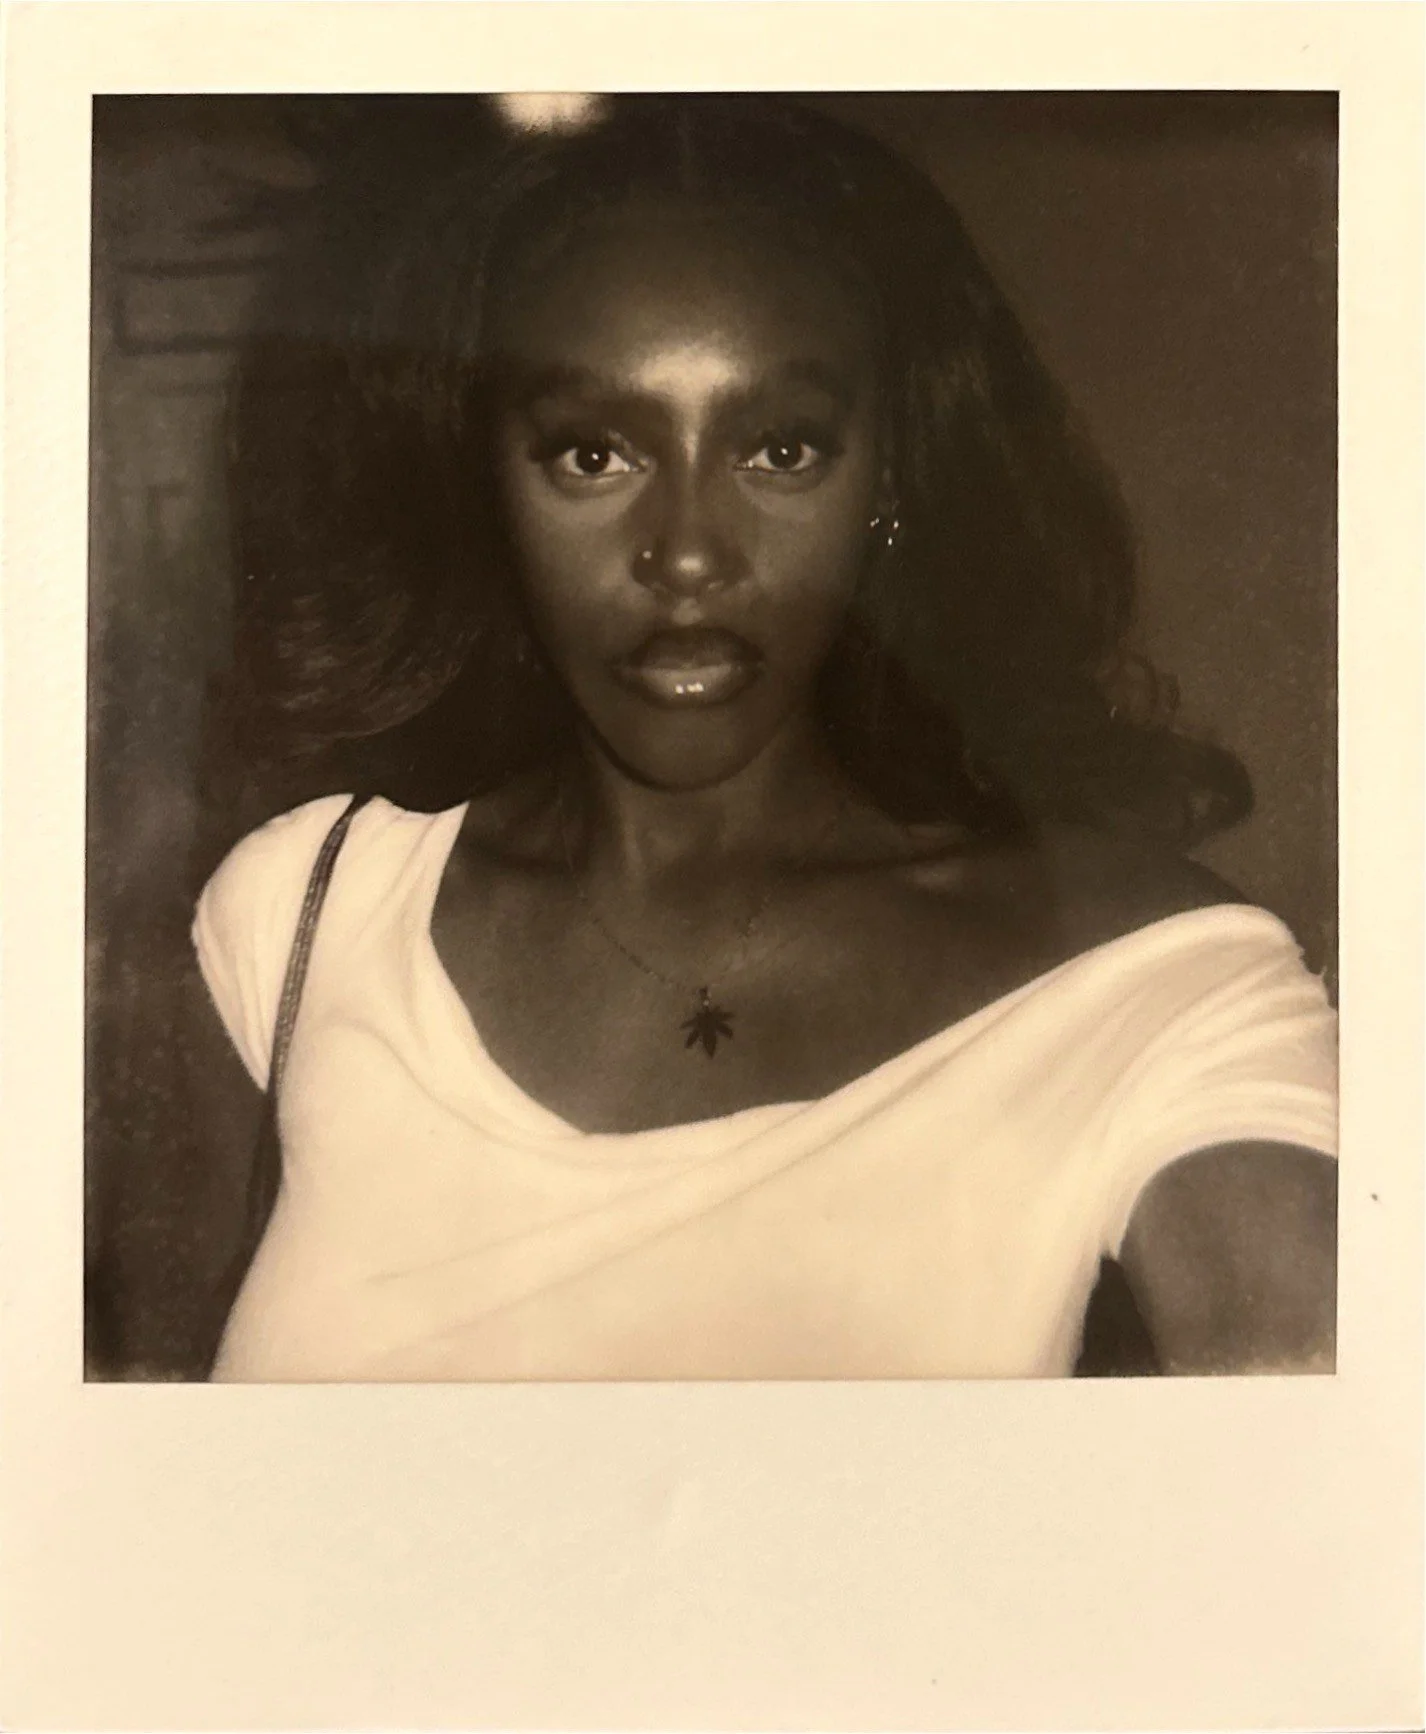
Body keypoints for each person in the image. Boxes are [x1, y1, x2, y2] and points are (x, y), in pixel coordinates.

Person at [185, 95, 1336, 1382]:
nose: (684, 553)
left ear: (888, 481)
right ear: (483, 482)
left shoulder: (1155, 987)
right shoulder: (303, 911)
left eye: (779, 449)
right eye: (592, 452)